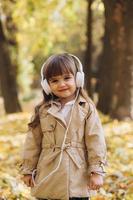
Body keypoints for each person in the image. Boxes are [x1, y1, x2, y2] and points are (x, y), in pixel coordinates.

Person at [20, 53, 107, 200]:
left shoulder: (86, 108)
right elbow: (32, 143)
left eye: (67, 78)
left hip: (77, 174)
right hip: (48, 173)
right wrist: (28, 170)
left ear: (78, 79)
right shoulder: (42, 111)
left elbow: (95, 140)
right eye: (54, 80)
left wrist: (97, 171)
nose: (61, 84)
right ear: (47, 85)